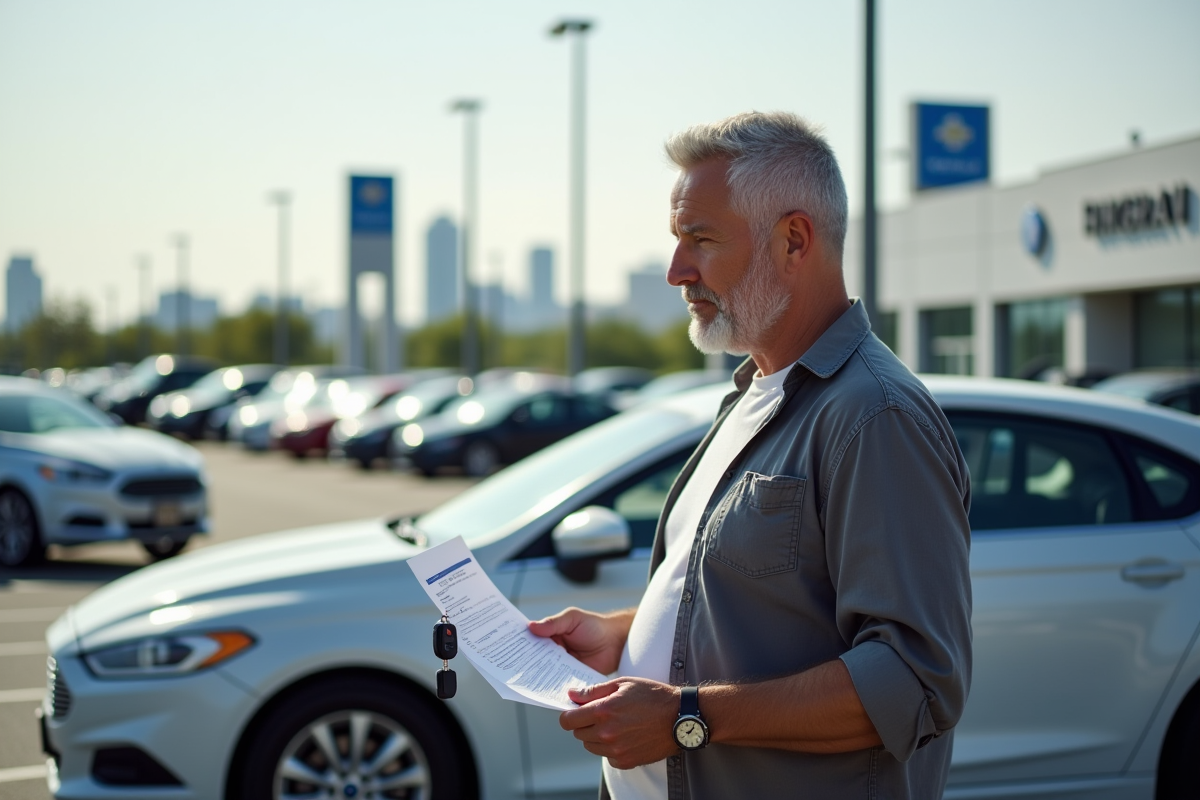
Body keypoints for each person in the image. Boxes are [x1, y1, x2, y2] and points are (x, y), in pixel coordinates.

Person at [529, 111, 973, 800]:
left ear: (795, 240)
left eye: (701, 240)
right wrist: (622, 637)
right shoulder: (752, 394)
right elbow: (763, 609)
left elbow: (913, 682)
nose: (678, 271)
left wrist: (684, 718)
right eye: (678, 241)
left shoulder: (874, 417)